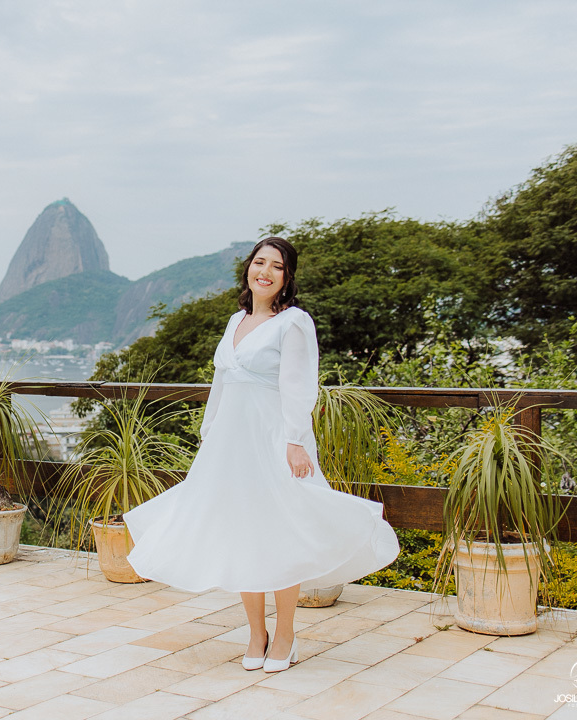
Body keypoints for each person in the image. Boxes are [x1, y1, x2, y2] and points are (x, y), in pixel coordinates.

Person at [124, 236, 400, 673]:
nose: (265, 272)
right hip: (230, 445)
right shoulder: (235, 320)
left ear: (286, 278)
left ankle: (286, 635)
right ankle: (256, 633)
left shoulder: (293, 323)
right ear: (248, 270)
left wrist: (295, 441)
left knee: (281, 532)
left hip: (273, 438)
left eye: (276, 266)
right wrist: (209, 434)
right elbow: (221, 384)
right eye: (259, 263)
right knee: (241, 534)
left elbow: (298, 385)